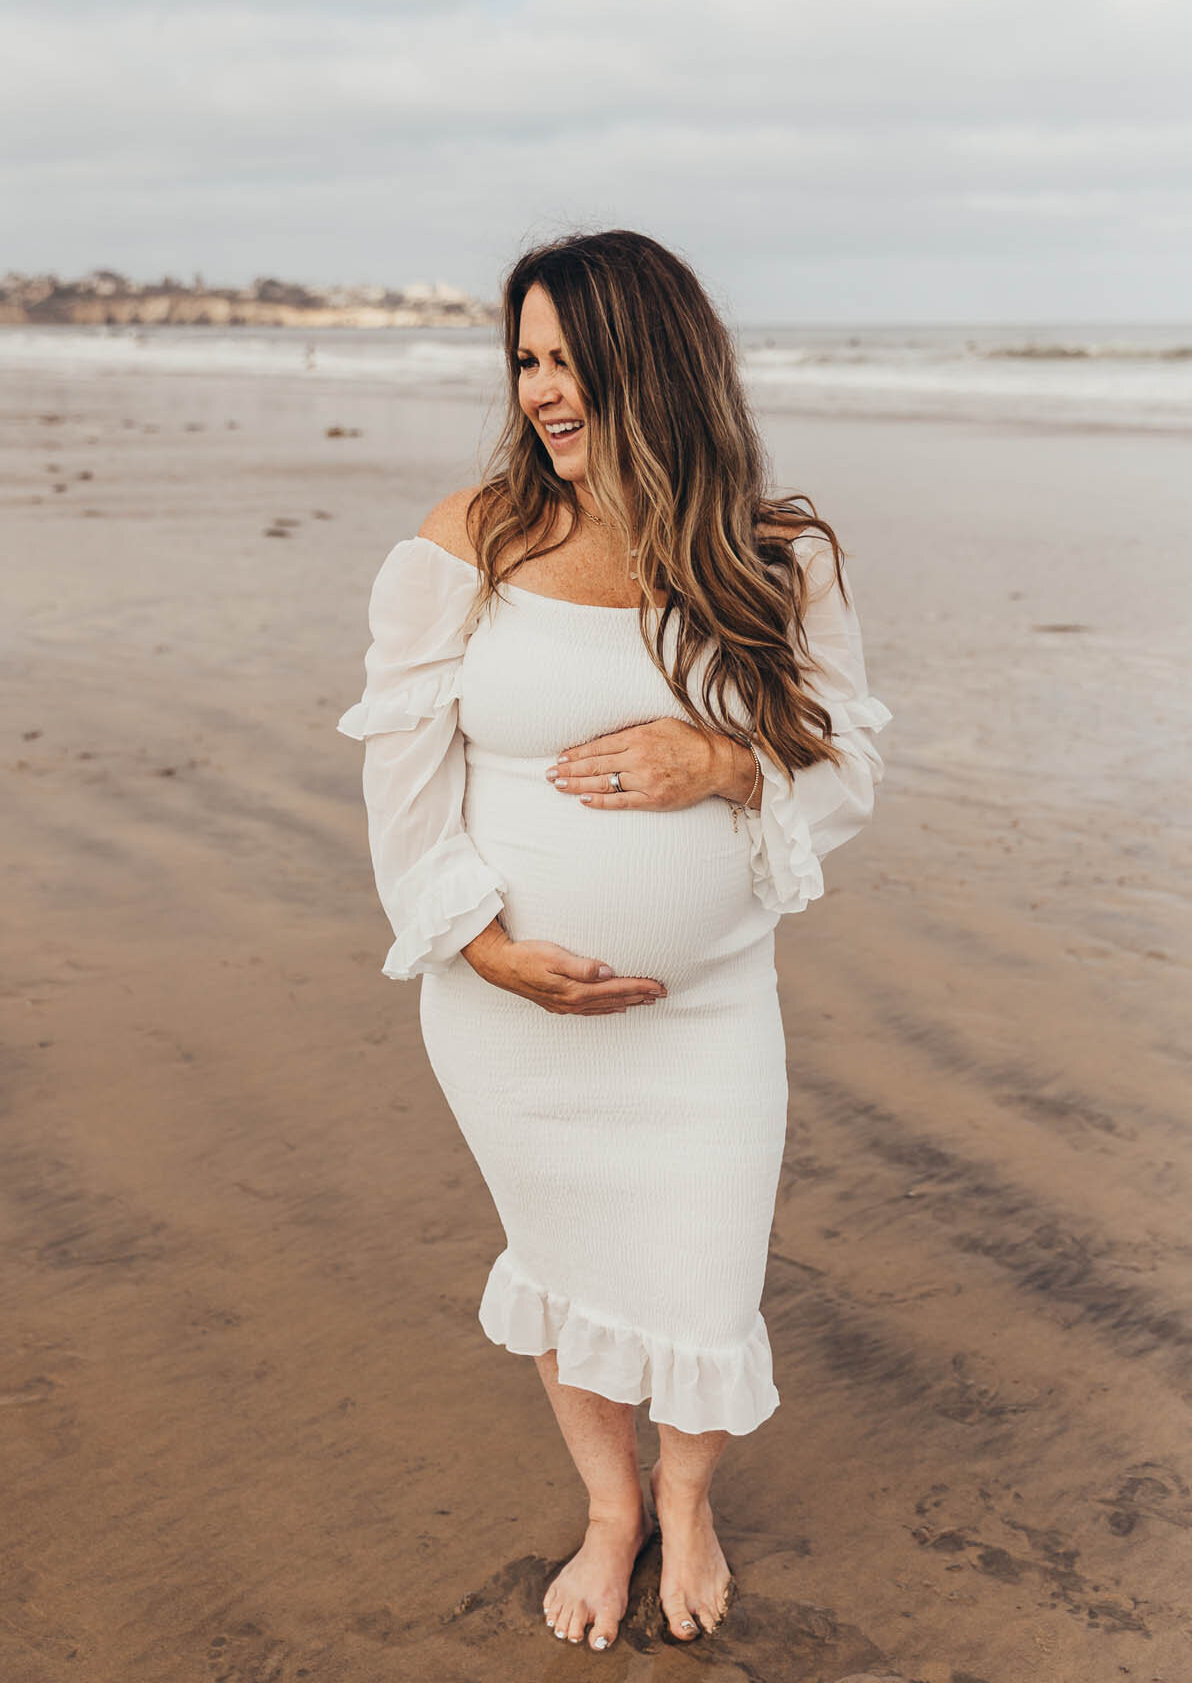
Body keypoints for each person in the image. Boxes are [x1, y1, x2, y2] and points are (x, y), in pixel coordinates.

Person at [337, 229, 891, 1654]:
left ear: (657, 363)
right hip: (509, 1013)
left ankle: (688, 1501)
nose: (542, 393)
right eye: (526, 362)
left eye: (571, 361)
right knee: (565, 1250)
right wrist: (477, 946)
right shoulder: (470, 541)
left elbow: (852, 769)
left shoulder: (777, 557)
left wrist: (728, 764)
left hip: (705, 1013)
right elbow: (402, 778)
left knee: (705, 1266)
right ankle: (611, 1508)